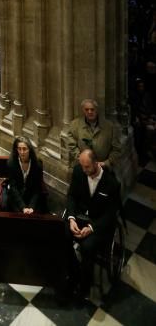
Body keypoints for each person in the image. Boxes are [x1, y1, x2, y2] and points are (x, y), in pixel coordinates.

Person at [65, 149, 121, 297]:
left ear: (96, 163)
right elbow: (71, 196)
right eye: (82, 166)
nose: (84, 170)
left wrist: (91, 227)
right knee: (61, 235)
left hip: (98, 223)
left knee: (87, 247)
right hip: (79, 216)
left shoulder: (111, 183)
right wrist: (71, 218)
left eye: (87, 167)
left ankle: (84, 286)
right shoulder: (78, 172)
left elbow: (110, 214)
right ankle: (74, 271)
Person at [67, 99, 121, 168]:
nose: (90, 112)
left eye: (92, 109)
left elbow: (116, 149)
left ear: (97, 110)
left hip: (103, 168)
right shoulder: (75, 125)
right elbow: (71, 145)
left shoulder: (109, 127)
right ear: (83, 110)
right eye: (87, 109)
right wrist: (82, 159)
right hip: (83, 166)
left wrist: (106, 163)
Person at [7, 136, 48, 214]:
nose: (22, 152)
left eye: (24, 149)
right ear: (16, 150)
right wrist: (23, 207)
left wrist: (31, 207)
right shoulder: (11, 163)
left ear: (29, 150)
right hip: (17, 198)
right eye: (19, 149)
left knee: (36, 214)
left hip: (32, 197)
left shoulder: (37, 164)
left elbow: (37, 188)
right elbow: (13, 187)